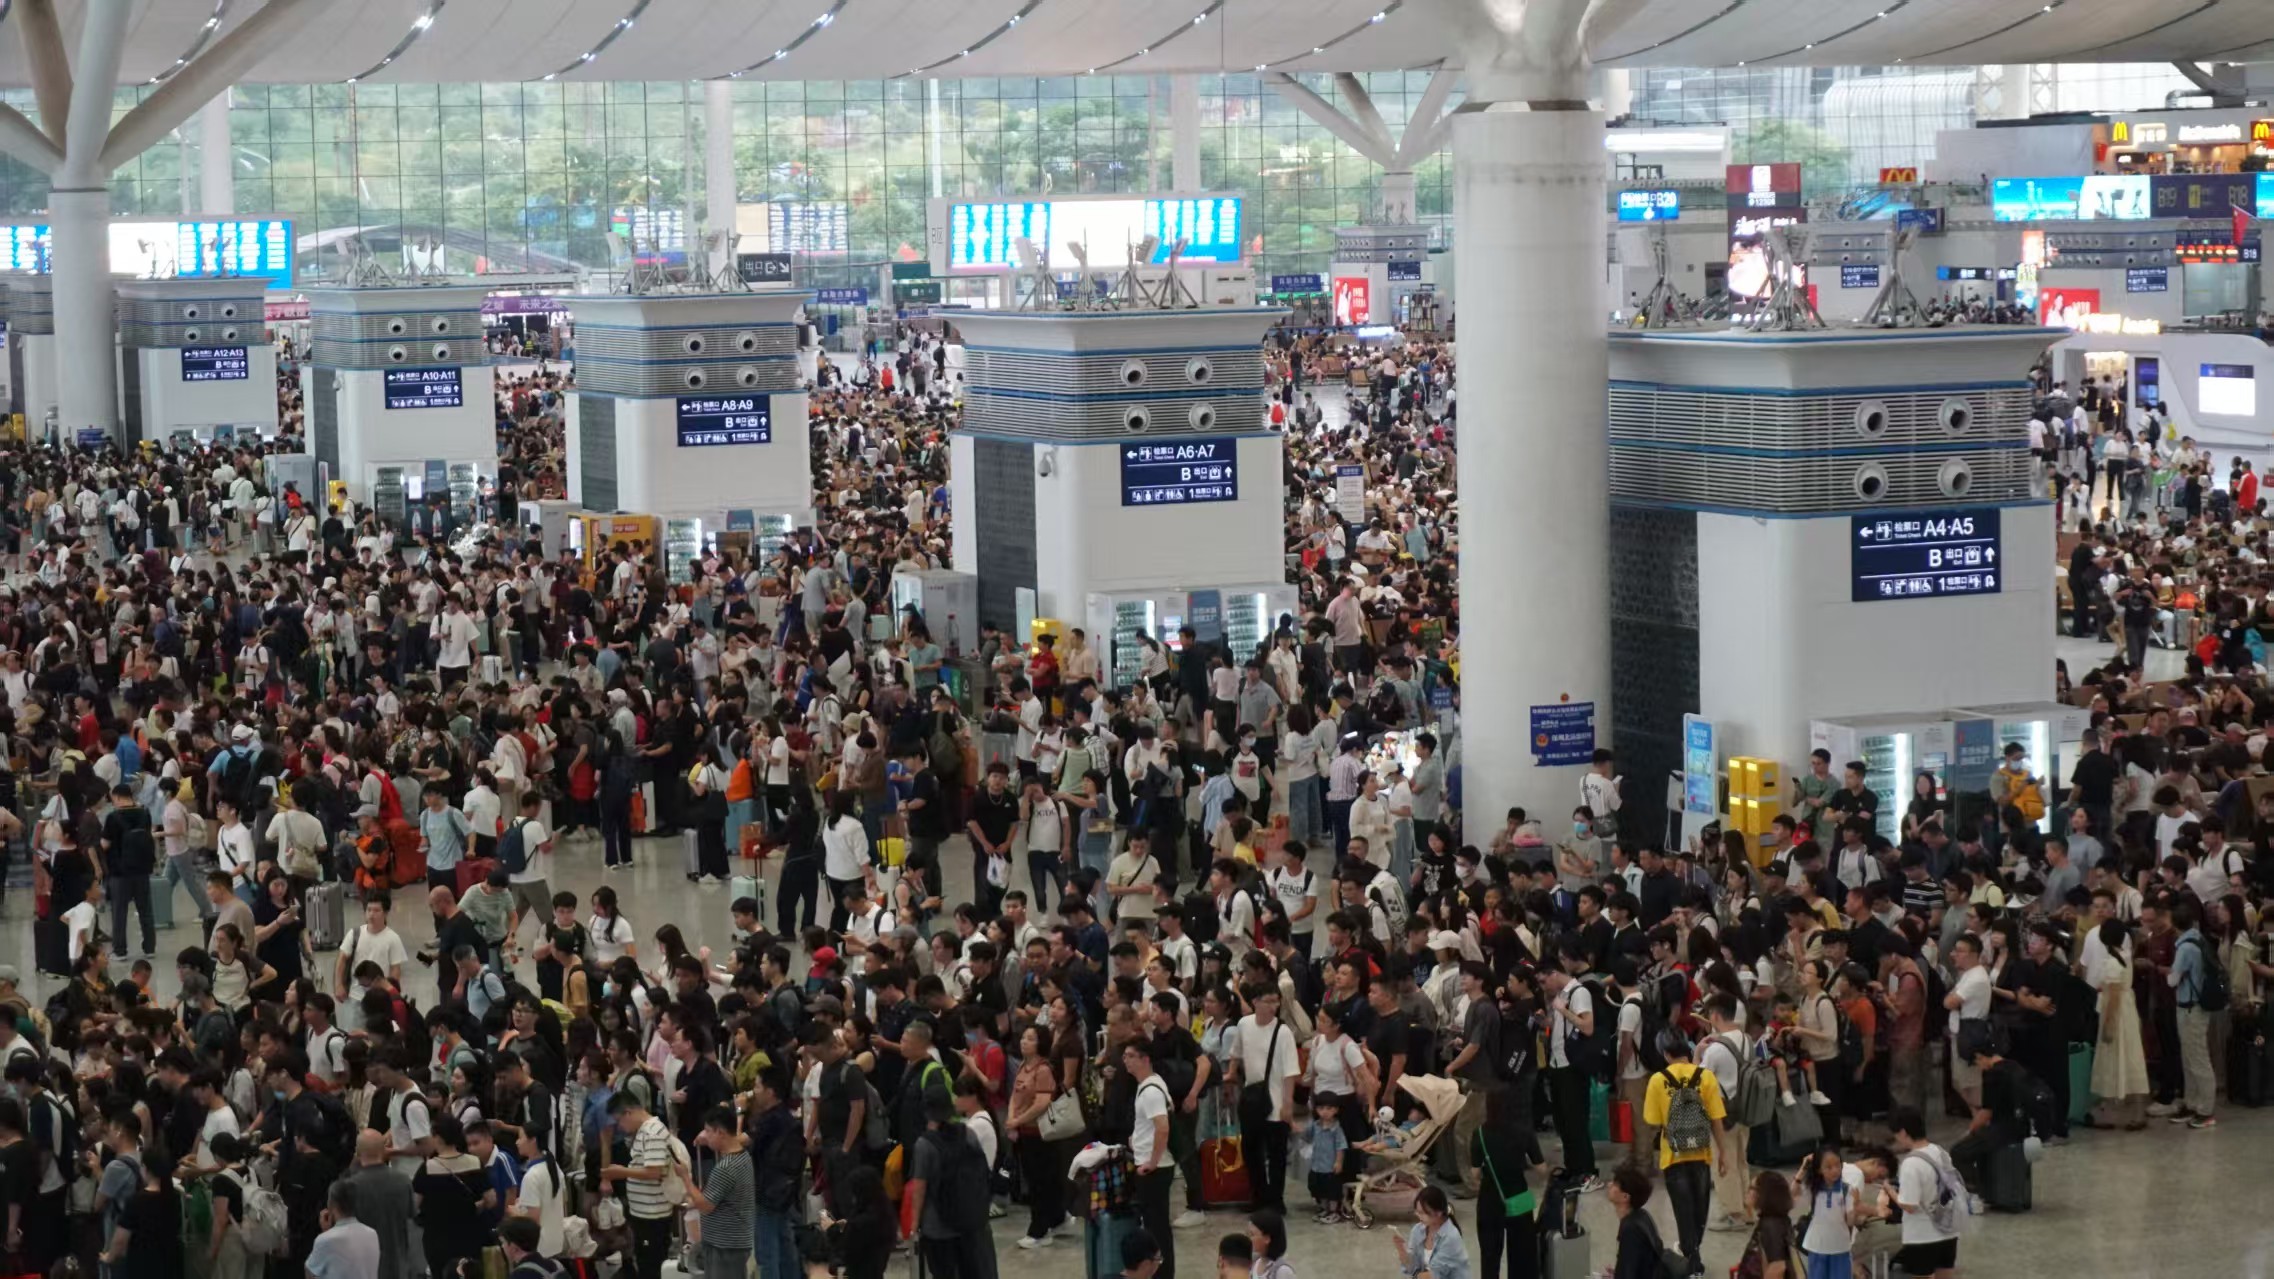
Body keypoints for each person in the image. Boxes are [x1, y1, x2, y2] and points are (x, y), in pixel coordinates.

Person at [1639, 1030, 1731, 1276]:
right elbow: (1717, 1119)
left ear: (1667, 1054)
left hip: (1673, 1156)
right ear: (1688, 1053)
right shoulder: (1707, 1077)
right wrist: (1723, 1153)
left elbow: (1652, 1120)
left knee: (1683, 1211)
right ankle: (1694, 1254)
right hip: (1701, 1155)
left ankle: (1692, 1262)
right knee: (1700, 1212)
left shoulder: (1658, 1080)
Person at [1888, 1107, 1965, 1279]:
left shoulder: (1910, 1164)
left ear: (1903, 1132)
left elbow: (1909, 1205)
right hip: (1948, 1231)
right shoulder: (1940, 1152)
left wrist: (1890, 1191)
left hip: (1922, 1236)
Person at [307, 1181, 383, 1279]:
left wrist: (325, 1232)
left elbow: (310, 1274)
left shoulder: (325, 1240)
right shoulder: (372, 1234)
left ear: (331, 1205)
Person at [1604, 1167, 1671, 1279]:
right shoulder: (1642, 1216)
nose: (1609, 1185)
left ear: (1625, 1197)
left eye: (1615, 1184)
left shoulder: (1630, 1230)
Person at [1736, 1171, 1799, 1279]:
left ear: (1764, 1194)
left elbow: (1777, 1267)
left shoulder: (1771, 1225)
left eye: (1751, 1188)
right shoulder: (1777, 1220)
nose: (1747, 1191)